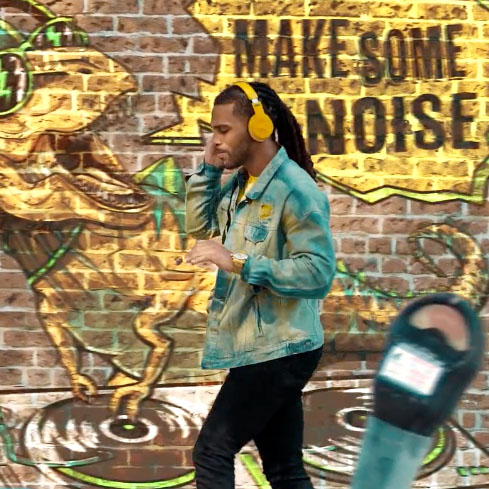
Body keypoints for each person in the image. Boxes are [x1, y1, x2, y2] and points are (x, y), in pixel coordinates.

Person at [184, 81, 336, 489]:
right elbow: (200, 229)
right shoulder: (240, 184)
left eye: (222, 129)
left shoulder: (296, 190)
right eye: (213, 130)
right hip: (261, 344)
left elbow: (318, 273)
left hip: (281, 346)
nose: (214, 140)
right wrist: (209, 171)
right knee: (284, 468)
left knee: (213, 451)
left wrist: (235, 261)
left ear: (260, 126)